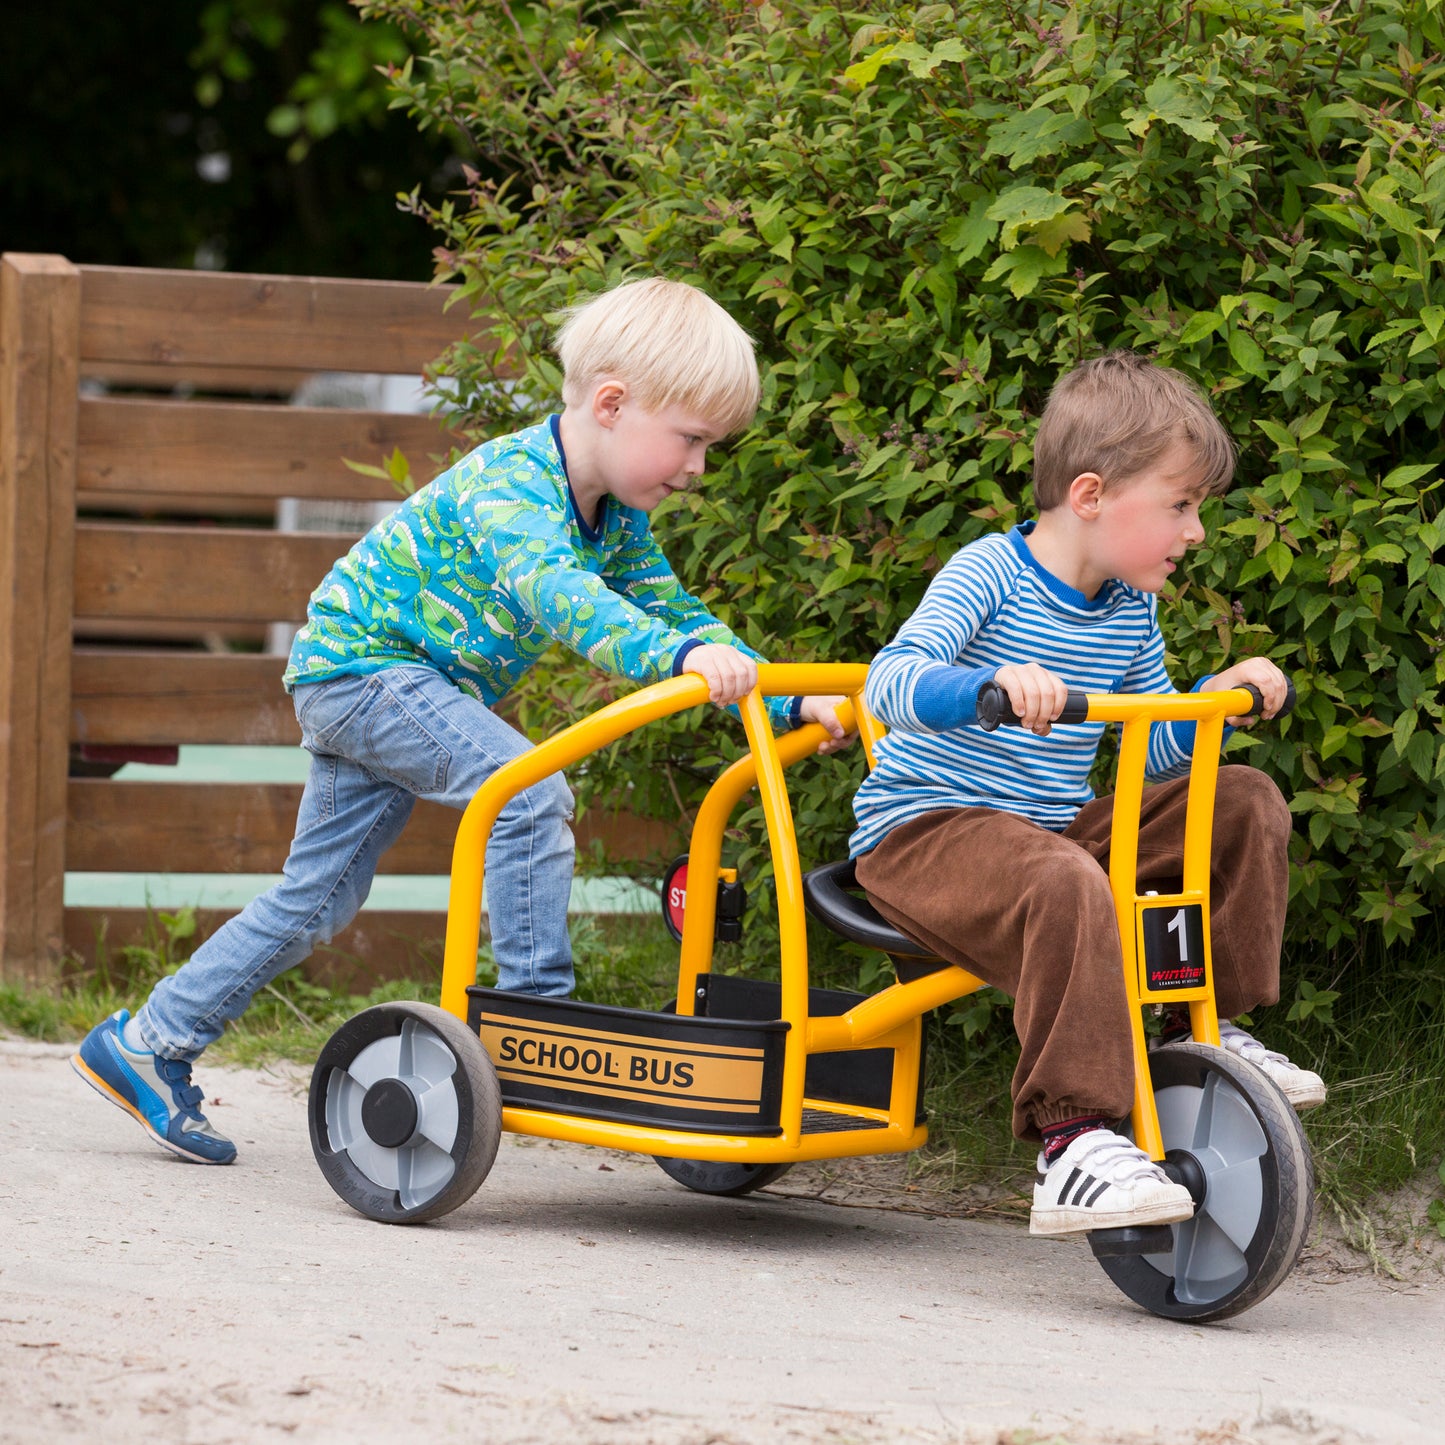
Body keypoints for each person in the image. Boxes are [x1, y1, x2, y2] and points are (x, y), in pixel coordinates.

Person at [73, 277, 848, 1166]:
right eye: (691, 439)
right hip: (366, 671)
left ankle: (147, 1041)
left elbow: (677, 613)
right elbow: (559, 594)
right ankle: (535, 1027)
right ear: (610, 405)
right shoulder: (513, 485)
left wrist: (786, 697)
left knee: (315, 899)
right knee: (526, 794)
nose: (698, 466)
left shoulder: (616, 521)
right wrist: (676, 659)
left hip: (389, 683)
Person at [850, 350, 1325, 1238]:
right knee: (1065, 876)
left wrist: (1214, 696)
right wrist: (988, 685)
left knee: (1242, 799)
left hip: (1047, 829)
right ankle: (1069, 1138)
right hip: (925, 832)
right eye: (1179, 506)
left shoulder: (1126, 608)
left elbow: (1158, 751)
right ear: (1091, 494)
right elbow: (890, 681)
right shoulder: (988, 573)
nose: (1195, 532)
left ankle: (1202, 1030)